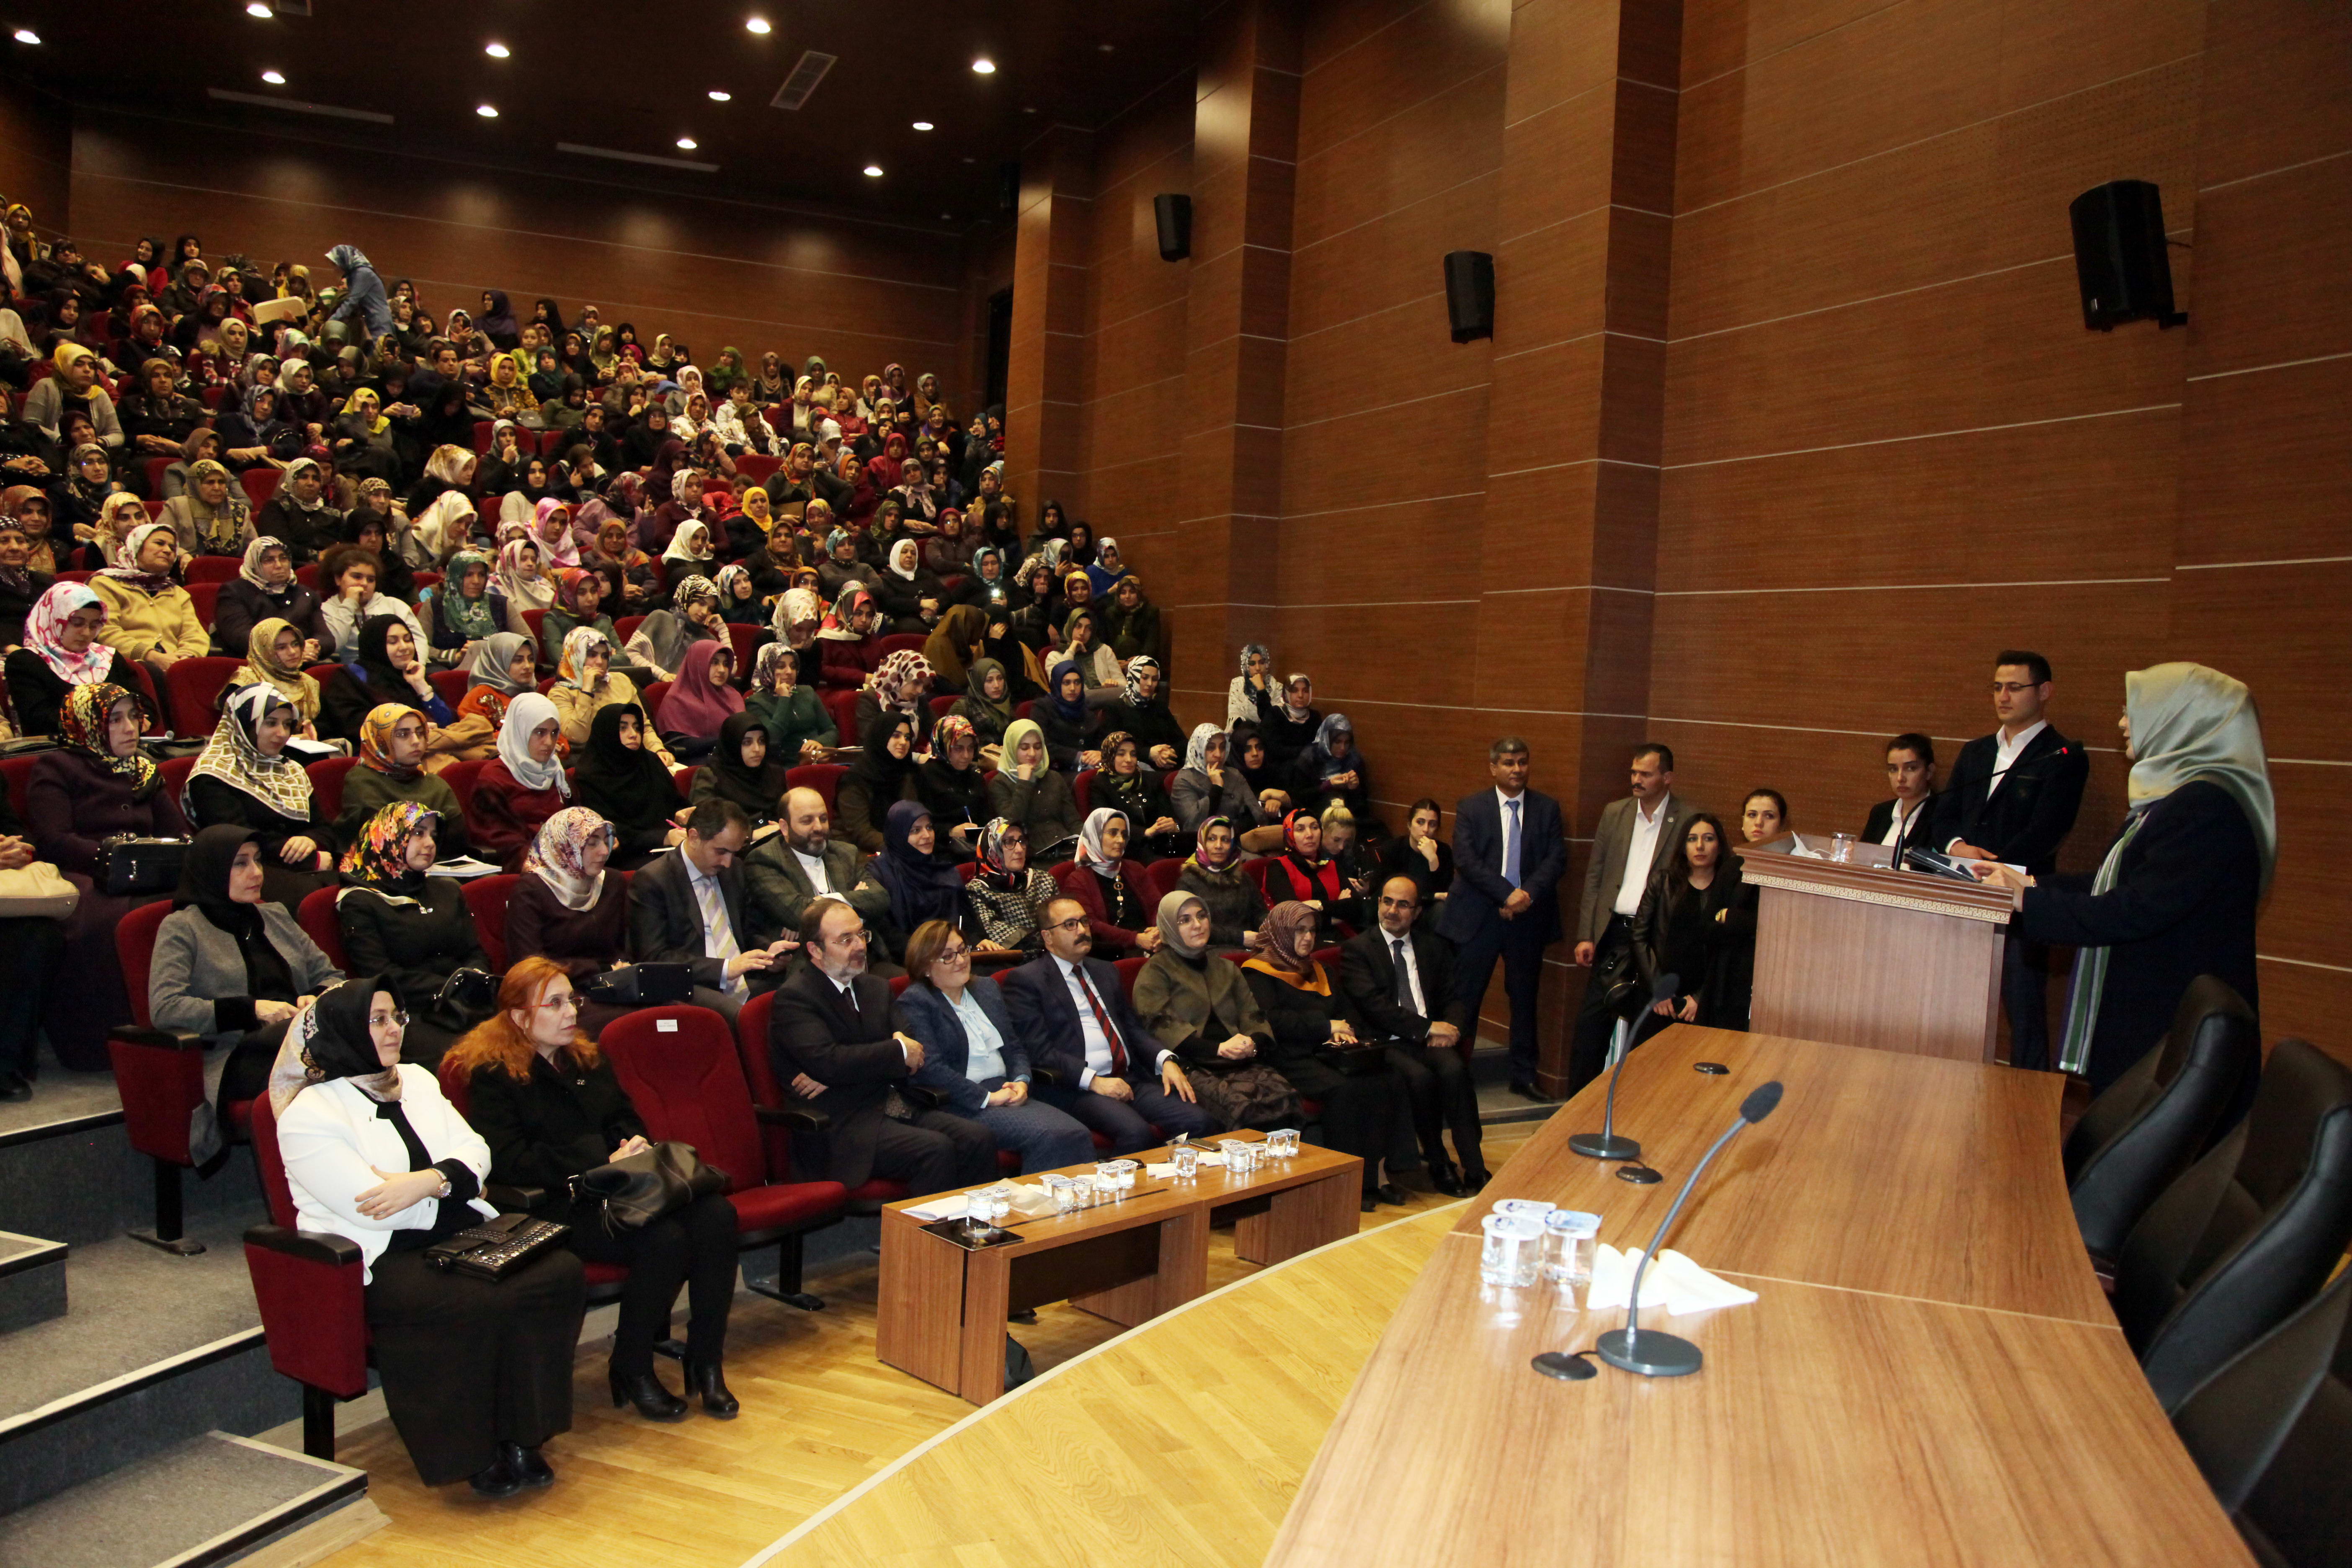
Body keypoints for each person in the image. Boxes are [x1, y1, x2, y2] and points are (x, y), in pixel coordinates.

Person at [273, 975, 585, 1497]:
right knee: (474, 1299)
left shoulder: (417, 1079)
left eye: (397, 1017)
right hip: (383, 1257)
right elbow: (373, 1210)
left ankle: (523, 1435)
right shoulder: (309, 1113)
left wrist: (426, 1182)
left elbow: (478, 1152)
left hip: (461, 1232)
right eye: (378, 1020)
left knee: (557, 1274)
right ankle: (472, 1453)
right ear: (344, 1029)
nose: (395, 1029)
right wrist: (454, 1184)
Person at [453, 957, 742, 1423]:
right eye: (555, 1004)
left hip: (619, 1187)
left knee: (716, 1216)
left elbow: (623, 1117)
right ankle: (632, 1365)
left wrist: (632, 1143)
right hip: (557, 1204)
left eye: (572, 1001)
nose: (571, 1012)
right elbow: (508, 1159)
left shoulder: (585, 1056)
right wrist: (598, 1159)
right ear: (520, 1017)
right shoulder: (494, 1074)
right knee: (663, 1239)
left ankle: (705, 1359)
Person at [1976, 663, 2270, 1094]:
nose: (2122, 723)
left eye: (2132, 711)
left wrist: (2028, 902)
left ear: (2177, 720)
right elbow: (2113, 883)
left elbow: (2134, 910)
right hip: (2155, 1018)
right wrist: (2031, 886)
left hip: (2170, 1025)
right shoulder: (2175, 799)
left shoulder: (2205, 806)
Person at [1927, 651, 2090, 1073]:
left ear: (2045, 692)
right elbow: (1943, 815)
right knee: (1949, 999)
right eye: (1998, 687)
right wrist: (1957, 846)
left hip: (2022, 899)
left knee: (2024, 1007)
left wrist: (1998, 866)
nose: (2003, 696)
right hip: (1962, 888)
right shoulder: (1976, 752)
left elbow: (2048, 830)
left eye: (2015, 688)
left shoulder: (2064, 755)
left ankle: (2027, 1098)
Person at [770, 896, 998, 1194]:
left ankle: (975, 1220)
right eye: (846, 940)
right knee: (934, 1149)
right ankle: (918, 1227)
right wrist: (893, 1052)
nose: (860, 946)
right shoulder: (796, 998)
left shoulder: (876, 987)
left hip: (894, 1105)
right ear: (815, 950)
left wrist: (850, 1066)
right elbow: (830, 1063)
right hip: (843, 1125)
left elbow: (914, 1051)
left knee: (978, 1137)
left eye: (861, 935)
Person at [23, 684, 190, 1066]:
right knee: (104, 919)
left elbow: (179, 834)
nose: (130, 728)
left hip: (143, 867)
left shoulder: (144, 770)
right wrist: (115, 858)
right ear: (88, 725)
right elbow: (54, 839)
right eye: (115, 720)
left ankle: (181, 1024)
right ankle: (103, 1042)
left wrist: (169, 857)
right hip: (84, 869)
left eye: (134, 717)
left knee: (198, 897)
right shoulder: (56, 767)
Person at [150, 824, 346, 1124]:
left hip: (299, 1040)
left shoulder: (276, 915)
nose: (257, 873)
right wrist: (252, 1010)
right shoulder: (183, 927)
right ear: (213, 869)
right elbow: (166, 1008)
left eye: (258, 861)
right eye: (241, 864)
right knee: (345, 1068)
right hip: (238, 1056)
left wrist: (314, 997)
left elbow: (333, 976)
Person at [999, 895, 1216, 1153]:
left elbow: (1132, 1029)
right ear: (1048, 937)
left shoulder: (1105, 971)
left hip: (1128, 1078)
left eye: (1084, 922)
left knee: (1200, 1121)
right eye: (1070, 925)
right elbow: (1039, 1052)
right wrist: (1094, 1082)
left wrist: (1165, 1060)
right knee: (1136, 1133)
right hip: (1077, 1087)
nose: (1082, 930)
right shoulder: (1027, 981)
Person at [895, 919, 1097, 1173]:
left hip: (1005, 1090)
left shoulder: (986, 988)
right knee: (1053, 1135)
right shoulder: (916, 1002)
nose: (961, 960)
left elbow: (1014, 1047)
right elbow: (932, 1068)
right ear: (925, 966)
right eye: (948, 956)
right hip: (962, 1102)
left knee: (1077, 1132)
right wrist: (988, 1098)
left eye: (963, 950)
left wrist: (1022, 1081)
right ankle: (1034, 1200)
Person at [1242, 899, 1406, 1210]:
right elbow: (1272, 1021)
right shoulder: (1258, 972)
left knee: (1386, 1078)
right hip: (1289, 1056)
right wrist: (1325, 1026)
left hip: (1329, 1052)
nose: (1308, 938)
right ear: (1280, 932)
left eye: (1312, 931)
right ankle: (1347, 1181)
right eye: (1298, 931)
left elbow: (1347, 1010)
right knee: (1344, 1090)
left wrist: (1345, 1030)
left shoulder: (1320, 969)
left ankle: (1379, 1174)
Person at [1342, 876, 1487, 1194]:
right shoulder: (1357, 950)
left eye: (1403, 904)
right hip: (1385, 1041)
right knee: (1420, 1079)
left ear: (1417, 912)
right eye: (1387, 901)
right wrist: (1427, 1028)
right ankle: (1439, 1163)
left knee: (1454, 1070)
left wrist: (1451, 1030)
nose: (1392, 911)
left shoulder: (1433, 946)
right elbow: (1375, 1007)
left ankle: (1475, 1166)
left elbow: (1454, 998)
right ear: (1378, 903)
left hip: (1428, 1039)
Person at [1558, 740, 1677, 1096]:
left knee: (1646, 1029)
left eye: (1646, 774)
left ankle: (1633, 1109)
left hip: (1654, 940)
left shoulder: (1687, 819)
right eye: (1634, 773)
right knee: (1591, 1026)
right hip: (1613, 933)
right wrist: (1587, 934)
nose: (1636, 780)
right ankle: (1576, 1106)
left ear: (1667, 778)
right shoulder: (1616, 813)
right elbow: (1595, 876)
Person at [335, 802, 492, 1064]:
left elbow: (474, 951)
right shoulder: (361, 901)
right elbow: (379, 975)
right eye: (418, 833)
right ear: (389, 838)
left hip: (466, 1002)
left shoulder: (447, 890)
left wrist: (475, 979)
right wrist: (453, 987)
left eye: (433, 835)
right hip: (409, 1012)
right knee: (472, 1058)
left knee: (524, 1034)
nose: (430, 843)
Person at [1133, 890, 1300, 1135]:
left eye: (1202, 916)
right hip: (1190, 1066)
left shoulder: (1226, 967)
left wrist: (1253, 1043)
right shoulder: (1155, 973)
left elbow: (1253, 1015)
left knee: (1285, 1099)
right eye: (1185, 920)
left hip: (1240, 1060)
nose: (1198, 925)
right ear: (1169, 927)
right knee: (1244, 1109)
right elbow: (1161, 1029)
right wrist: (1219, 1049)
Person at [628, 799, 797, 1024]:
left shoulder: (734, 870)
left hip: (742, 979)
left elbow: (746, 932)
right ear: (694, 837)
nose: (727, 862)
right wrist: (725, 969)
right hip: (691, 984)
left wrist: (767, 953)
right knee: (744, 1017)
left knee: (798, 995)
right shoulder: (653, 880)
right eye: (721, 852)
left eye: (734, 853)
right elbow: (655, 958)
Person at [184, 683, 340, 908]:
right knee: (315, 901)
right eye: (270, 723)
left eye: (287, 724)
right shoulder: (214, 774)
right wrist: (310, 859)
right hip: (248, 870)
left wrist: (311, 841)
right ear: (244, 725)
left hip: (302, 868)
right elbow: (240, 840)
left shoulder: (291, 770)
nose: (282, 733)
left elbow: (324, 828)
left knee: (357, 892)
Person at [506, 808, 633, 1039]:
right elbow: (530, 964)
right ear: (565, 847)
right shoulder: (532, 890)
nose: (605, 852)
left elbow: (626, 943)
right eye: (592, 844)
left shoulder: (613, 882)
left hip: (613, 984)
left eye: (606, 841)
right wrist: (598, 969)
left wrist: (623, 966)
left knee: (669, 1014)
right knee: (623, 1026)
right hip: (559, 992)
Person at [742, 787, 897, 968]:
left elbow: (880, 898)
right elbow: (797, 913)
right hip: (807, 966)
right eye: (807, 821)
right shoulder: (765, 859)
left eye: (823, 819)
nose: (819, 828)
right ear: (785, 827)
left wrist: (818, 903)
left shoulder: (845, 852)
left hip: (865, 959)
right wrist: (855, 903)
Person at [1628, 813, 1743, 1041]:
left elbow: (1728, 951)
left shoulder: (1730, 891)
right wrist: (1659, 989)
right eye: (1692, 839)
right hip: (1657, 997)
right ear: (1683, 846)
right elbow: (1639, 936)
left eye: (1708, 839)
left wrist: (1701, 997)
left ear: (1720, 846)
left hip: (1702, 1002)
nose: (1700, 846)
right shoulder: (1662, 881)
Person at [5, 580, 144, 738]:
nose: (86, 633)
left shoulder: (108, 657)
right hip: (63, 747)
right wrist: (105, 722)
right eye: (77, 624)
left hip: (122, 742)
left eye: (94, 626)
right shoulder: (27, 662)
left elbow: (143, 703)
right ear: (53, 619)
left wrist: (140, 717)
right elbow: (40, 718)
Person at [338, 703, 473, 863]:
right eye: (403, 735)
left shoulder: (436, 785)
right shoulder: (362, 780)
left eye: (420, 733)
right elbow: (380, 843)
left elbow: (457, 844)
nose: (416, 741)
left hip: (441, 867)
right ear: (380, 740)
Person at [90, 521, 208, 687]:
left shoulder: (178, 593)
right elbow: (107, 632)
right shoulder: (105, 584)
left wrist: (184, 659)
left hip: (175, 665)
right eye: (160, 543)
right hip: (127, 666)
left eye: (172, 547)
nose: (168, 550)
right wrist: (151, 656)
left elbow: (195, 635)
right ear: (137, 547)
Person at [573, 703, 684, 867]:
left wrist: (682, 813)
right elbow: (609, 831)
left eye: (637, 728)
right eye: (623, 728)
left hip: (670, 846)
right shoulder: (590, 775)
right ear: (607, 732)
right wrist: (663, 837)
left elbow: (674, 801)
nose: (634, 735)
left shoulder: (650, 762)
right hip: (625, 856)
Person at [472, 691, 573, 871]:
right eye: (540, 733)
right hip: (523, 868)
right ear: (520, 731)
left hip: (564, 863)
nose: (549, 742)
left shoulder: (557, 772)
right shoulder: (493, 779)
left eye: (554, 733)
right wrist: (551, 862)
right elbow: (502, 842)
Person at [1058, 807, 1162, 956]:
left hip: (1150, 943)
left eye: (1124, 835)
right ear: (1095, 836)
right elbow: (1090, 924)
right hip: (1111, 952)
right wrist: (1136, 939)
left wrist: (1158, 931)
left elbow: (1157, 906)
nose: (1121, 841)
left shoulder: (1136, 868)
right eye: (1113, 833)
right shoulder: (1078, 880)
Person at [872, 799, 969, 953]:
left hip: (955, 951)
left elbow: (968, 923)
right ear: (898, 835)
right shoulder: (880, 874)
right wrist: (929, 952)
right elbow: (886, 932)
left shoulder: (946, 872)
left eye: (929, 828)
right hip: (910, 956)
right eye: (916, 831)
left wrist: (980, 942)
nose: (927, 836)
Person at [214, 536, 328, 659]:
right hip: (254, 665)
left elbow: (327, 639)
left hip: (303, 664)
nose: (279, 565)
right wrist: (294, 649)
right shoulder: (234, 592)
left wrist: (313, 648)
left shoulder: (306, 594)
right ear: (254, 566)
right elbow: (241, 638)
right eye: (269, 561)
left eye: (283, 558)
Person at [962, 818, 1057, 959]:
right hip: (1016, 961)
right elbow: (997, 934)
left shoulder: (1044, 880)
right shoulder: (977, 890)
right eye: (1009, 842)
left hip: (1058, 954)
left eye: (1021, 841)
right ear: (992, 848)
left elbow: (1062, 922)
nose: (1020, 849)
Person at [989, 718, 1080, 860]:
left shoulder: (1054, 778)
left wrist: (1086, 845)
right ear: (1012, 749)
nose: (1032, 754)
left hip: (1067, 850)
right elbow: (1011, 824)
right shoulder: (999, 783)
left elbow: (1073, 821)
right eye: (1025, 748)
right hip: (1030, 856)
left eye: (1038, 747)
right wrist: (1024, 783)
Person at [1264, 807, 1359, 941]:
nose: (1310, 835)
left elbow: (1356, 906)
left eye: (1314, 827)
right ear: (1290, 835)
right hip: (1298, 940)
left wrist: (1318, 905)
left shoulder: (1331, 865)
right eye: (1300, 829)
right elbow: (1292, 915)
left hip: (1341, 936)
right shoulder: (1278, 867)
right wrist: (1336, 912)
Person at [1176, 816, 1268, 954]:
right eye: (1212, 839)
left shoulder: (1243, 877)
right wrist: (1241, 938)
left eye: (1225, 840)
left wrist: (1270, 929)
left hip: (1252, 947)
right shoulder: (1189, 881)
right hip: (1210, 951)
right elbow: (1192, 927)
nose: (1219, 846)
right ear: (1202, 842)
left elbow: (1260, 914)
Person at [692, 709, 792, 825]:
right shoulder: (711, 775)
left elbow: (788, 814)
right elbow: (705, 824)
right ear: (732, 744)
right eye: (747, 743)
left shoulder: (775, 773)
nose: (757, 749)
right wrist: (751, 832)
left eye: (761, 741)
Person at [1093, 732, 1181, 860]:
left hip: (1161, 844)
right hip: (1127, 847)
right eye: (1121, 754)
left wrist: (1173, 825)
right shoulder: (1100, 784)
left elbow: (1170, 815)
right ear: (1110, 756)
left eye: (1133, 754)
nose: (1129, 760)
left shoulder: (1151, 779)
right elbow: (1104, 823)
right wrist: (1145, 833)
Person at [913, 714, 992, 854]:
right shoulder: (924, 776)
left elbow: (988, 819)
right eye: (958, 748)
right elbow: (916, 826)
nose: (966, 756)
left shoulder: (975, 777)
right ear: (943, 747)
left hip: (975, 850)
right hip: (939, 851)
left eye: (971, 748)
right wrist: (951, 831)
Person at [656, 640, 741, 764]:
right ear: (698, 663)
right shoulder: (676, 699)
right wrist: (724, 741)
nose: (722, 670)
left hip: (732, 760)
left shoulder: (734, 696)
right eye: (715, 663)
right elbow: (679, 744)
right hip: (697, 764)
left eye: (726, 664)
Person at [1170, 724, 1259, 841]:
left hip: (1240, 839)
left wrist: (1234, 828)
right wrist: (1216, 788)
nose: (1218, 754)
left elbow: (1257, 814)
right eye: (1211, 748)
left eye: (1222, 747)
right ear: (1198, 748)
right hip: (1204, 845)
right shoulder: (1184, 780)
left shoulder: (1234, 775)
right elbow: (1193, 824)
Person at [1099, 656, 1183, 769]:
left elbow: (1184, 743)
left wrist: (1169, 752)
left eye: (1155, 679)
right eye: (1144, 678)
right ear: (1133, 677)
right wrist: (1149, 753)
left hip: (1166, 766)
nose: (1150, 684)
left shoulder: (1160, 707)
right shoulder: (1115, 708)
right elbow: (1112, 747)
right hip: (1133, 769)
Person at [1865, 733, 1938, 859]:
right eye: (1893, 769)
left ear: (1929, 771)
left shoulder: (1941, 814)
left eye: (1911, 768)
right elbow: (1862, 858)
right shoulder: (1881, 813)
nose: (1900, 778)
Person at [1290, 713, 1372, 823]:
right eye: (1337, 742)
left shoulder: (1354, 760)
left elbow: (1362, 806)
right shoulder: (1309, 758)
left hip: (1348, 818)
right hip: (1315, 818)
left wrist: (1355, 788)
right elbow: (1298, 798)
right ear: (1327, 740)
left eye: (1347, 743)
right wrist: (1328, 786)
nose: (1343, 748)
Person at [1381, 797, 1453, 921]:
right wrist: (1432, 896)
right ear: (1409, 825)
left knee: (1441, 909)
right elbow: (1389, 890)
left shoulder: (1444, 851)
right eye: (1420, 822)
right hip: (1398, 906)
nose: (1426, 829)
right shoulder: (1394, 848)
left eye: (1432, 824)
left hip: (1427, 910)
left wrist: (1433, 860)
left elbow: (1445, 893)